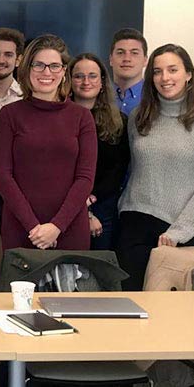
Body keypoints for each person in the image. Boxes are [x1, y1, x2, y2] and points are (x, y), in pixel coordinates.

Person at [118, 44, 194, 291]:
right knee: (129, 310)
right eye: (157, 71)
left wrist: (179, 232)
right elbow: (133, 170)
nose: (165, 78)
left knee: (176, 317)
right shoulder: (139, 117)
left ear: (188, 74)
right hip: (134, 227)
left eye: (173, 69)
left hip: (180, 234)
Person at [0, 34, 97, 251]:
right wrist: (34, 227)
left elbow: (85, 178)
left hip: (70, 227)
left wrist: (56, 226)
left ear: (64, 70)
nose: (46, 72)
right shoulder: (9, 115)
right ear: (27, 68)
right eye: (38, 65)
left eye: (54, 66)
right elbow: (3, 176)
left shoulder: (82, 117)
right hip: (21, 228)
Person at [68, 53, 129, 251]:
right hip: (64, 205)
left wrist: (91, 201)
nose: (86, 82)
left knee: (99, 274)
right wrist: (82, 207)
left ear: (102, 81)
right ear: (69, 80)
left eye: (93, 76)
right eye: (79, 76)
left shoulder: (119, 121)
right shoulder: (58, 117)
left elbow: (118, 168)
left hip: (104, 206)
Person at [109, 28, 148, 116]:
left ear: (145, 60)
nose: (127, 59)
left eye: (134, 53)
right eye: (120, 53)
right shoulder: (98, 96)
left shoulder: (156, 97)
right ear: (111, 59)